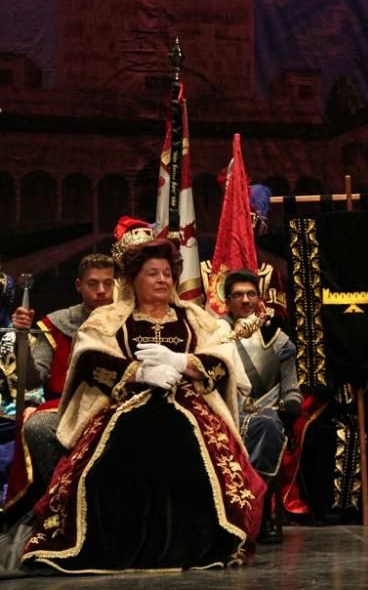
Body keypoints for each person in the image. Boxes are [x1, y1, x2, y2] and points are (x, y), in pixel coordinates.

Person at [21, 239, 266, 572]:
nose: (163, 280)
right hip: (123, 403)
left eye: (167, 273)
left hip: (189, 403)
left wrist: (184, 363)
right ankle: (115, 542)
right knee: (118, 447)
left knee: (188, 441)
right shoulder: (110, 318)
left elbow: (222, 359)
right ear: (134, 279)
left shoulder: (195, 318)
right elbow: (89, 358)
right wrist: (138, 372)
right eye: (153, 273)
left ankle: (197, 542)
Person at [4, 253, 117, 519]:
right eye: (93, 283)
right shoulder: (56, 324)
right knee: (37, 426)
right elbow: (34, 378)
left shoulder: (131, 319)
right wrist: (22, 339)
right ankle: (60, 505)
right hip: (67, 406)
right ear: (79, 285)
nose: (101, 290)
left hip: (118, 402)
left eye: (108, 283)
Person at [225, 269, 301, 544]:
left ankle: (262, 513)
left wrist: (291, 405)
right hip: (226, 410)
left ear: (259, 299)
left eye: (251, 294)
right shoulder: (215, 334)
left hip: (268, 411)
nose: (245, 300)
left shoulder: (278, 339)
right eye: (238, 295)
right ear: (227, 302)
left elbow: (291, 386)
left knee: (268, 426)